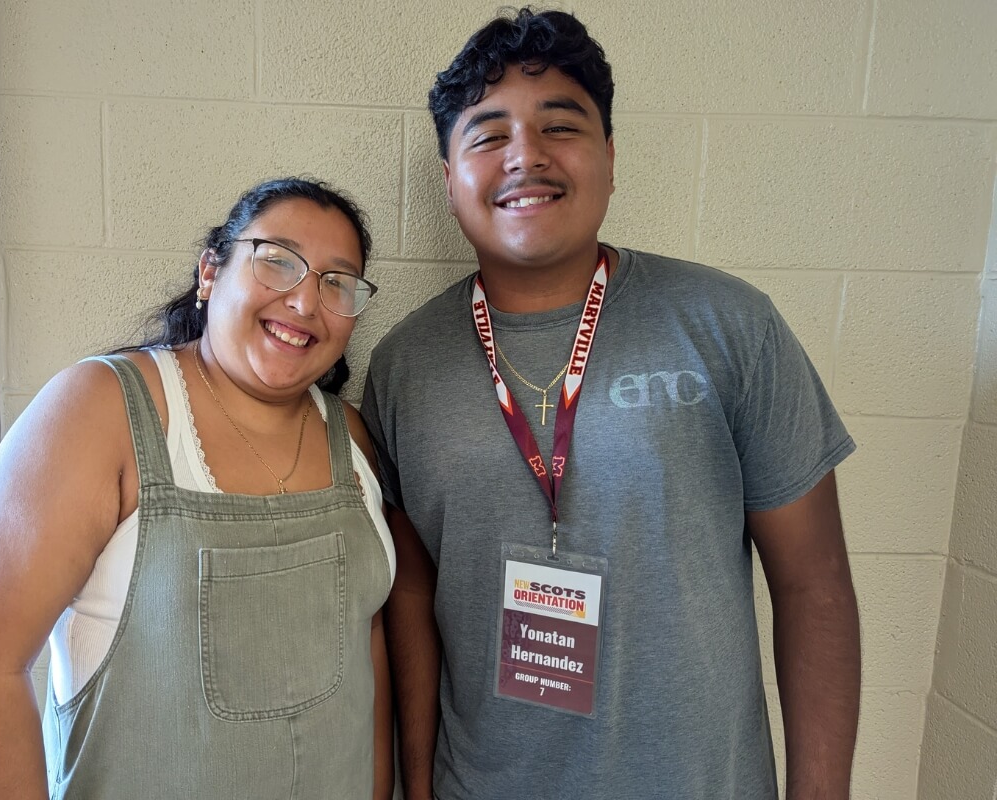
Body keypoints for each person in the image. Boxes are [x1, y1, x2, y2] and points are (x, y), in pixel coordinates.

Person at [362, 9, 860, 800]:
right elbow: (413, 594)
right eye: (488, 136)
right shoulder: (403, 368)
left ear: (610, 157)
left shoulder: (728, 325)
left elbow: (815, 583)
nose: (526, 156)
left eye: (561, 125)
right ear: (449, 179)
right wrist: (416, 783)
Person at [0, 178, 395, 799]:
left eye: (336, 282)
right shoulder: (102, 411)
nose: (305, 301)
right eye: (277, 261)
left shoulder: (351, 437)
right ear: (211, 272)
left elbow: (364, 646)